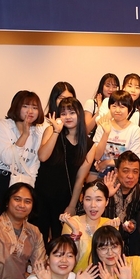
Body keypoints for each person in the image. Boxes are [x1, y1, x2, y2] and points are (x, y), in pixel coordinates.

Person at [35, 97, 95, 241]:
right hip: (42, 194)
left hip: (65, 198)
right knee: (38, 237)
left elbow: (80, 178)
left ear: (79, 114)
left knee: (60, 240)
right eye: (63, 113)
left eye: (72, 113)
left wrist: (72, 205)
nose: (67, 117)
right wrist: (56, 132)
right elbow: (42, 156)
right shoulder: (51, 130)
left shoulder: (89, 144)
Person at [60, 181, 117, 271]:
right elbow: (67, 264)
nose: (93, 205)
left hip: (103, 277)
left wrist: (104, 233)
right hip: (76, 277)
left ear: (107, 202)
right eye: (88, 199)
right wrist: (75, 231)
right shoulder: (72, 223)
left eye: (98, 200)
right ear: (82, 199)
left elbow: (112, 262)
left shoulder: (110, 224)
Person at [103, 151, 140, 254]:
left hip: (126, 246)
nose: (130, 176)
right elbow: (84, 214)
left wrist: (133, 224)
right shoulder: (102, 187)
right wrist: (105, 196)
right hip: (102, 242)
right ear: (116, 171)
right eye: (125, 171)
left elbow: (139, 217)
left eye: (135, 172)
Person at [93, 90, 140, 178]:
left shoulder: (135, 130)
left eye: (122, 107)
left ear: (130, 109)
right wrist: (106, 133)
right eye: (114, 106)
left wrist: (107, 162)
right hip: (102, 173)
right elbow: (97, 156)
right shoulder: (103, 126)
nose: (117, 110)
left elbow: (134, 159)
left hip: (125, 174)